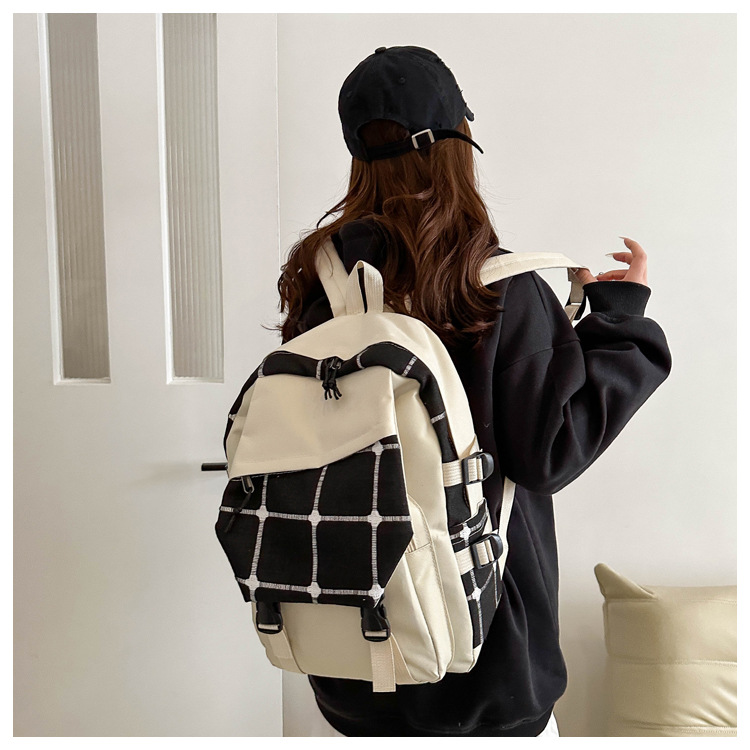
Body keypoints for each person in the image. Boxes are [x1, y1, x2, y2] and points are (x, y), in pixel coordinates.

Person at [276, 45, 672, 738]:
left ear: (357, 155)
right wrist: (619, 324)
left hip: (354, 660)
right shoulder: (498, 289)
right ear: (459, 140)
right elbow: (550, 452)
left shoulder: (323, 285)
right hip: (486, 665)